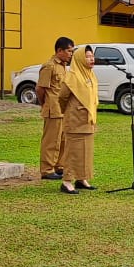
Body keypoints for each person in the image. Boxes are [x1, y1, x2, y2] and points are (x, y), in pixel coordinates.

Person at [57, 46, 100, 195]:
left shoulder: (90, 75)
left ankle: (82, 179)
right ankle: (67, 181)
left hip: (88, 119)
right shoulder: (72, 76)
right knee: (73, 151)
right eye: (87, 56)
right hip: (75, 119)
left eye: (92, 56)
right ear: (80, 58)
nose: (91, 59)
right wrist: (69, 111)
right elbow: (62, 97)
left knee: (86, 151)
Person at [37, 37, 75, 180]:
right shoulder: (49, 66)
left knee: (64, 139)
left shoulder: (64, 66)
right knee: (51, 141)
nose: (71, 54)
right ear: (60, 50)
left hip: (64, 109)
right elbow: (40, 89)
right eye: (69, 51)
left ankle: (60, 166)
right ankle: (47, 169)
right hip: (53, 109)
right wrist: (45, 104)